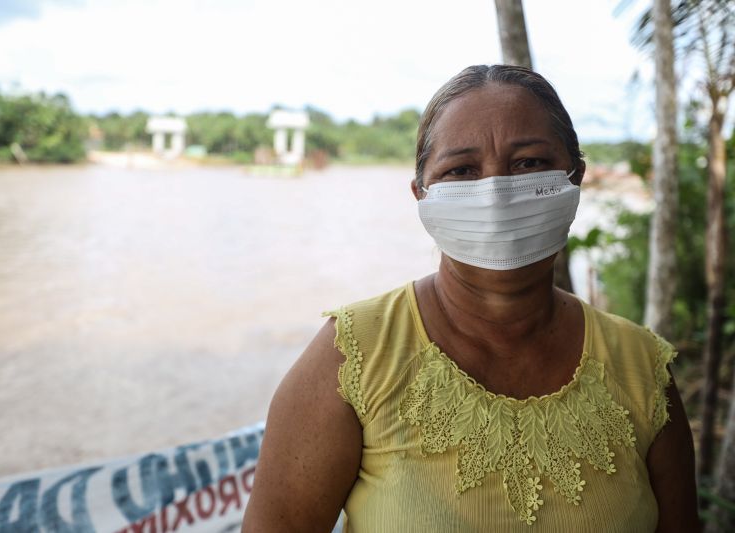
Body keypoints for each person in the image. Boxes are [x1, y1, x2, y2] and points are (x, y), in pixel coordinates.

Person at [242, 65, 700, 532]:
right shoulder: (354, 357)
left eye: (529, 163)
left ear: (575, 176)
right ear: (421, 194)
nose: (496, 195)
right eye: (461, 170)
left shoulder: (642, 368)